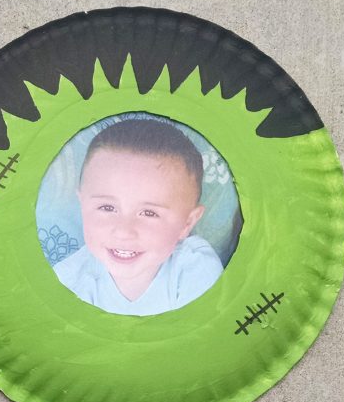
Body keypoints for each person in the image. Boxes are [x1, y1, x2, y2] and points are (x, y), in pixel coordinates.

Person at [54, 118, 224, 316]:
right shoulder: (67, 281)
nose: (124, 231)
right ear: (82, 205)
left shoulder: (195, 270)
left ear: (187, 223)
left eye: (149, 213)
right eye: (107, 207)